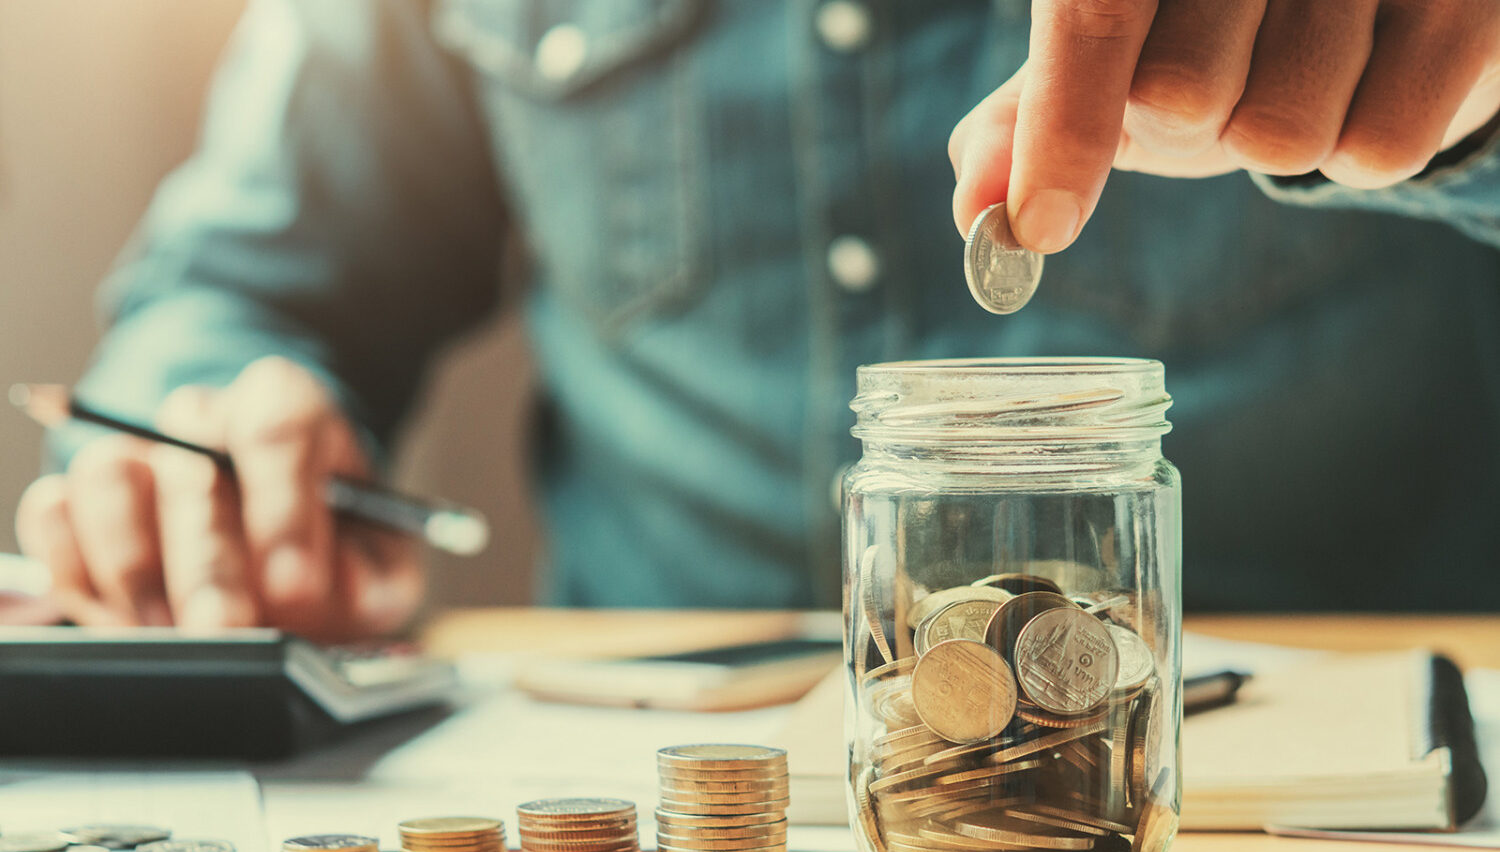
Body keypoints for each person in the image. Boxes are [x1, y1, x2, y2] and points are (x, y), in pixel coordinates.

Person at [13, 0, 1500, 640]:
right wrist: (205, 424)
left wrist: (1477, 105)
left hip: (1334, 777)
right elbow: (241, 288)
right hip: (655, 801)